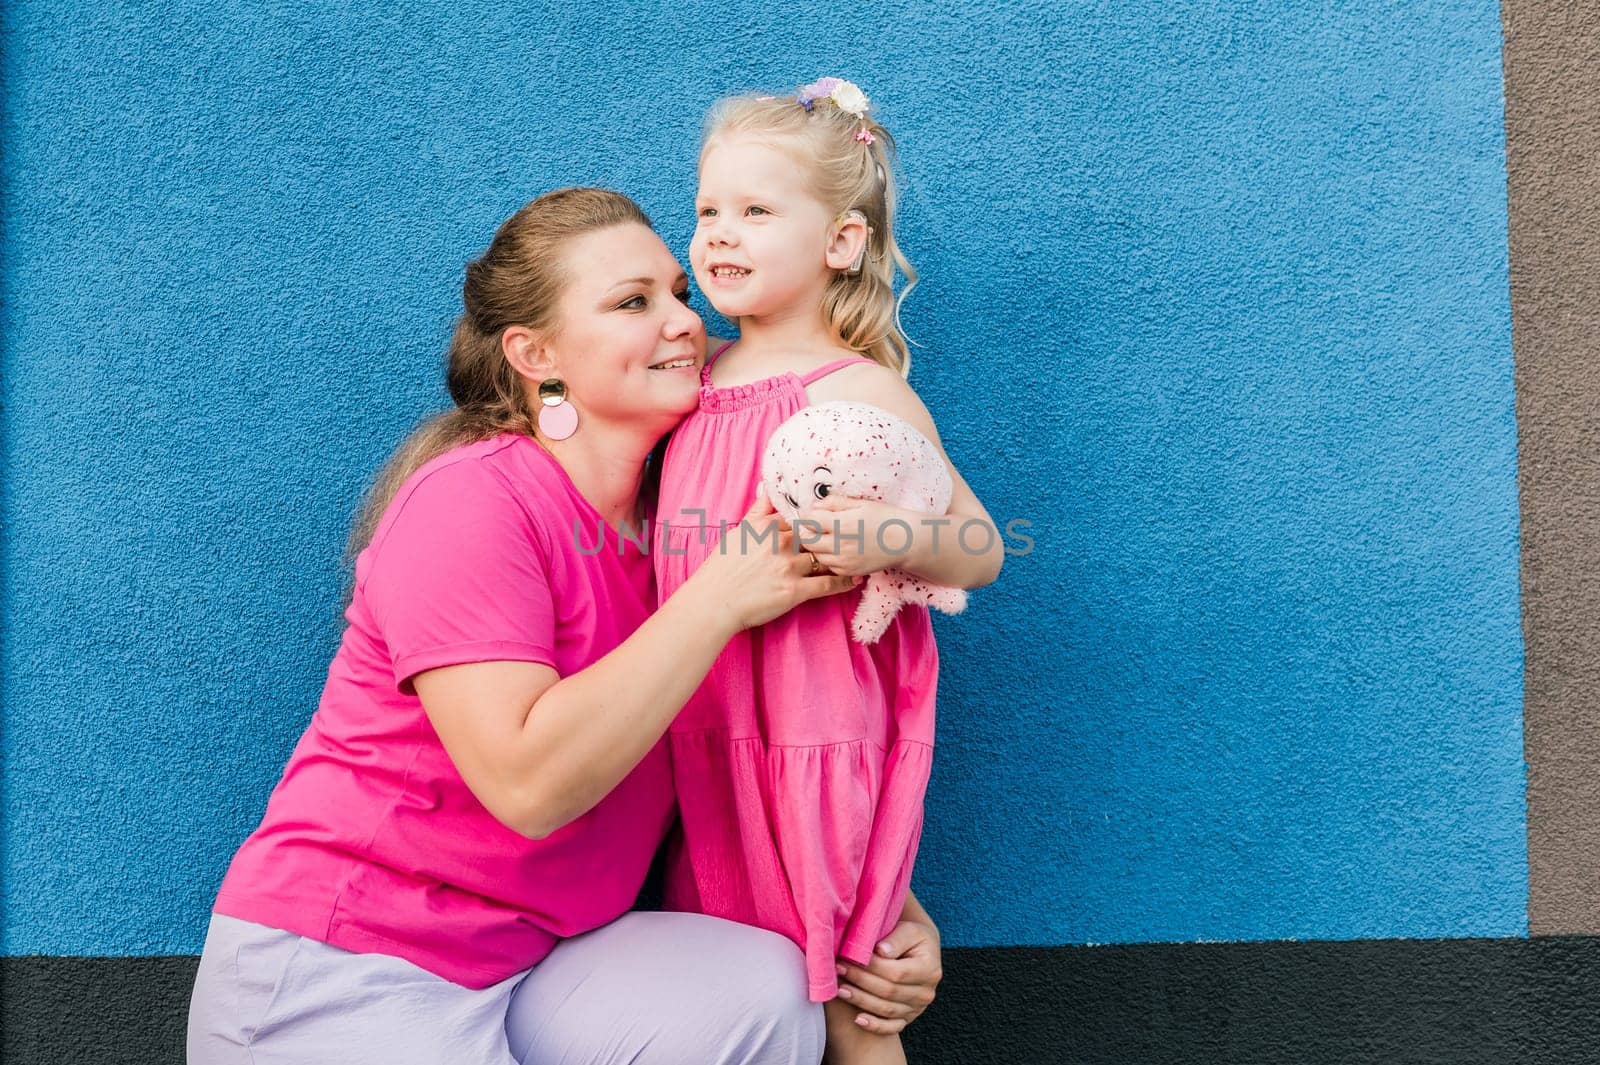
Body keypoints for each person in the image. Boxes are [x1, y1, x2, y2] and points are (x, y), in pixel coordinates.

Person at [186, 187, 938, 1065]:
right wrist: (719, 598)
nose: (682, 323)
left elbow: (773, 742)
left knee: (765, 992)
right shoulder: (471, 499)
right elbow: (528, 784)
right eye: (633, 303)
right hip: (351, 964)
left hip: (541, 962)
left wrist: (881, 908)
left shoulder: (683, 528)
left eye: (679, 296)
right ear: (536, 354)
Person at [654, 79, 1003, 1065]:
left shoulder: (861, 390)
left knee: (852, 995)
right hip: (704, 734)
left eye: (756, 212)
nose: (718, 234)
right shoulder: (687, 381)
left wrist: (892, 539)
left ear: (840, 243)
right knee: (731, 982)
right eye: (706, 211)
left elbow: (977, 546)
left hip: (816, 730)